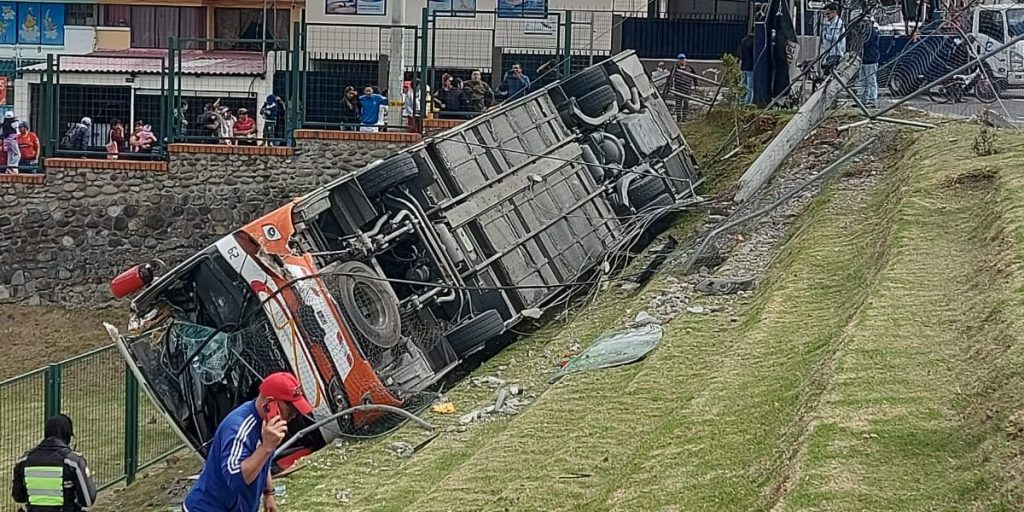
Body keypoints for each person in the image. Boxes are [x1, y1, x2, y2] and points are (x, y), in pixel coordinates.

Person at [182, 372, 313, 512]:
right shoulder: (238, 428)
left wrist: (269, 492)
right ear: (269, 403)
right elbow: (235, 479)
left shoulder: (267, 427)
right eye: (290, 411)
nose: (293, 417)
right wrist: (266, 447)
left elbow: (264, 461)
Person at [12, 414, 97, 512]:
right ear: (68, 435)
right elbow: (88, 501)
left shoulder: (23, 461)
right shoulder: (73, 462)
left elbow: (18, 496)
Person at [668, 53, 697, 122]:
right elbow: (670, 76)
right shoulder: (675, 67)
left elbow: (694, 76)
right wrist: (670, 84)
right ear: (678, 60)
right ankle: (678, 117)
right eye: (680, 59)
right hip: (678, 88)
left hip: (686, 88)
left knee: (686, 103)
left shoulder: (689, 67)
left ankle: (684, 118)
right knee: (678, 103)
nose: (682, 60)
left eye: (683, 59)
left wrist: (696, 84)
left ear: (685, 59)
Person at [820, 3, 846, 76]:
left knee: (830, 74)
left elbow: (835, 38)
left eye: (828, 13)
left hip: (836, 53)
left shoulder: (837, 23)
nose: (827, 16)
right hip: (829, 53)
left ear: (834, 12)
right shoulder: (830, 23)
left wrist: (825, 35)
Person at [861, 19, 880, 108]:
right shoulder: (865, 33)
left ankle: (872, 100)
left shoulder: (872, 33)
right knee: (864, 81)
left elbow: (866, 42)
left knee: (871, 81)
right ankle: (864, 100)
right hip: (864, 59)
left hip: (870, 59)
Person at [738, 32, 756, 105]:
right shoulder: (754, 42)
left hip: (744, 66)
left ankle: (740, 100)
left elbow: (740, 53)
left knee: (743, 84)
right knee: (750, 87)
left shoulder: (744, 40)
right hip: (751, 66)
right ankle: (748, 102)